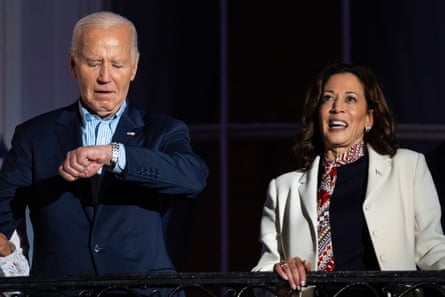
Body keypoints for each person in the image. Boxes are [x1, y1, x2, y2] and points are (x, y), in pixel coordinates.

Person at [0, 10, 208, 294]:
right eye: (93, 63)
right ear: (73, 65)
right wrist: (10, 256)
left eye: (118, 64)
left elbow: (193, 177)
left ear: (134, 68)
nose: (105, 77)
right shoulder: (35, 136)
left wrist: (115, 155)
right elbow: (4, 213)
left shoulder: (162, 130)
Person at [252, 63, 445, 296]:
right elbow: (262, 274)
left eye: (351, 99)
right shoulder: (284, 188)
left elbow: (432, 249)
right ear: (317, 113)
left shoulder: (408, 166)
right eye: (328, 98)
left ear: (369, 119)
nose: (337, 108)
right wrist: (280, 274)